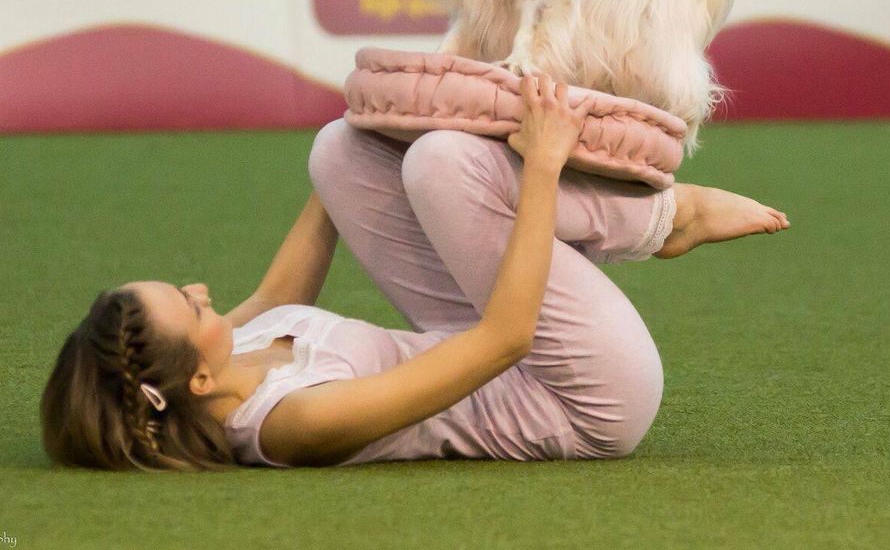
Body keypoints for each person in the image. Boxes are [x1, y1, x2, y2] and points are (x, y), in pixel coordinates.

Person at [40, 75, 789, 470]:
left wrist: (380, 121)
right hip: (581, 399)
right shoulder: (292, 424)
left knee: (338, 146)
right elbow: (504, 338)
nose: (205, 294)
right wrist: (543, 165)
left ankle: (637, 216)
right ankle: (668, 220)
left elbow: (278, 294)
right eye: (191, 306)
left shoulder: (217, 360)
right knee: (443, 164)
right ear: (193, 382)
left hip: (479, 345)